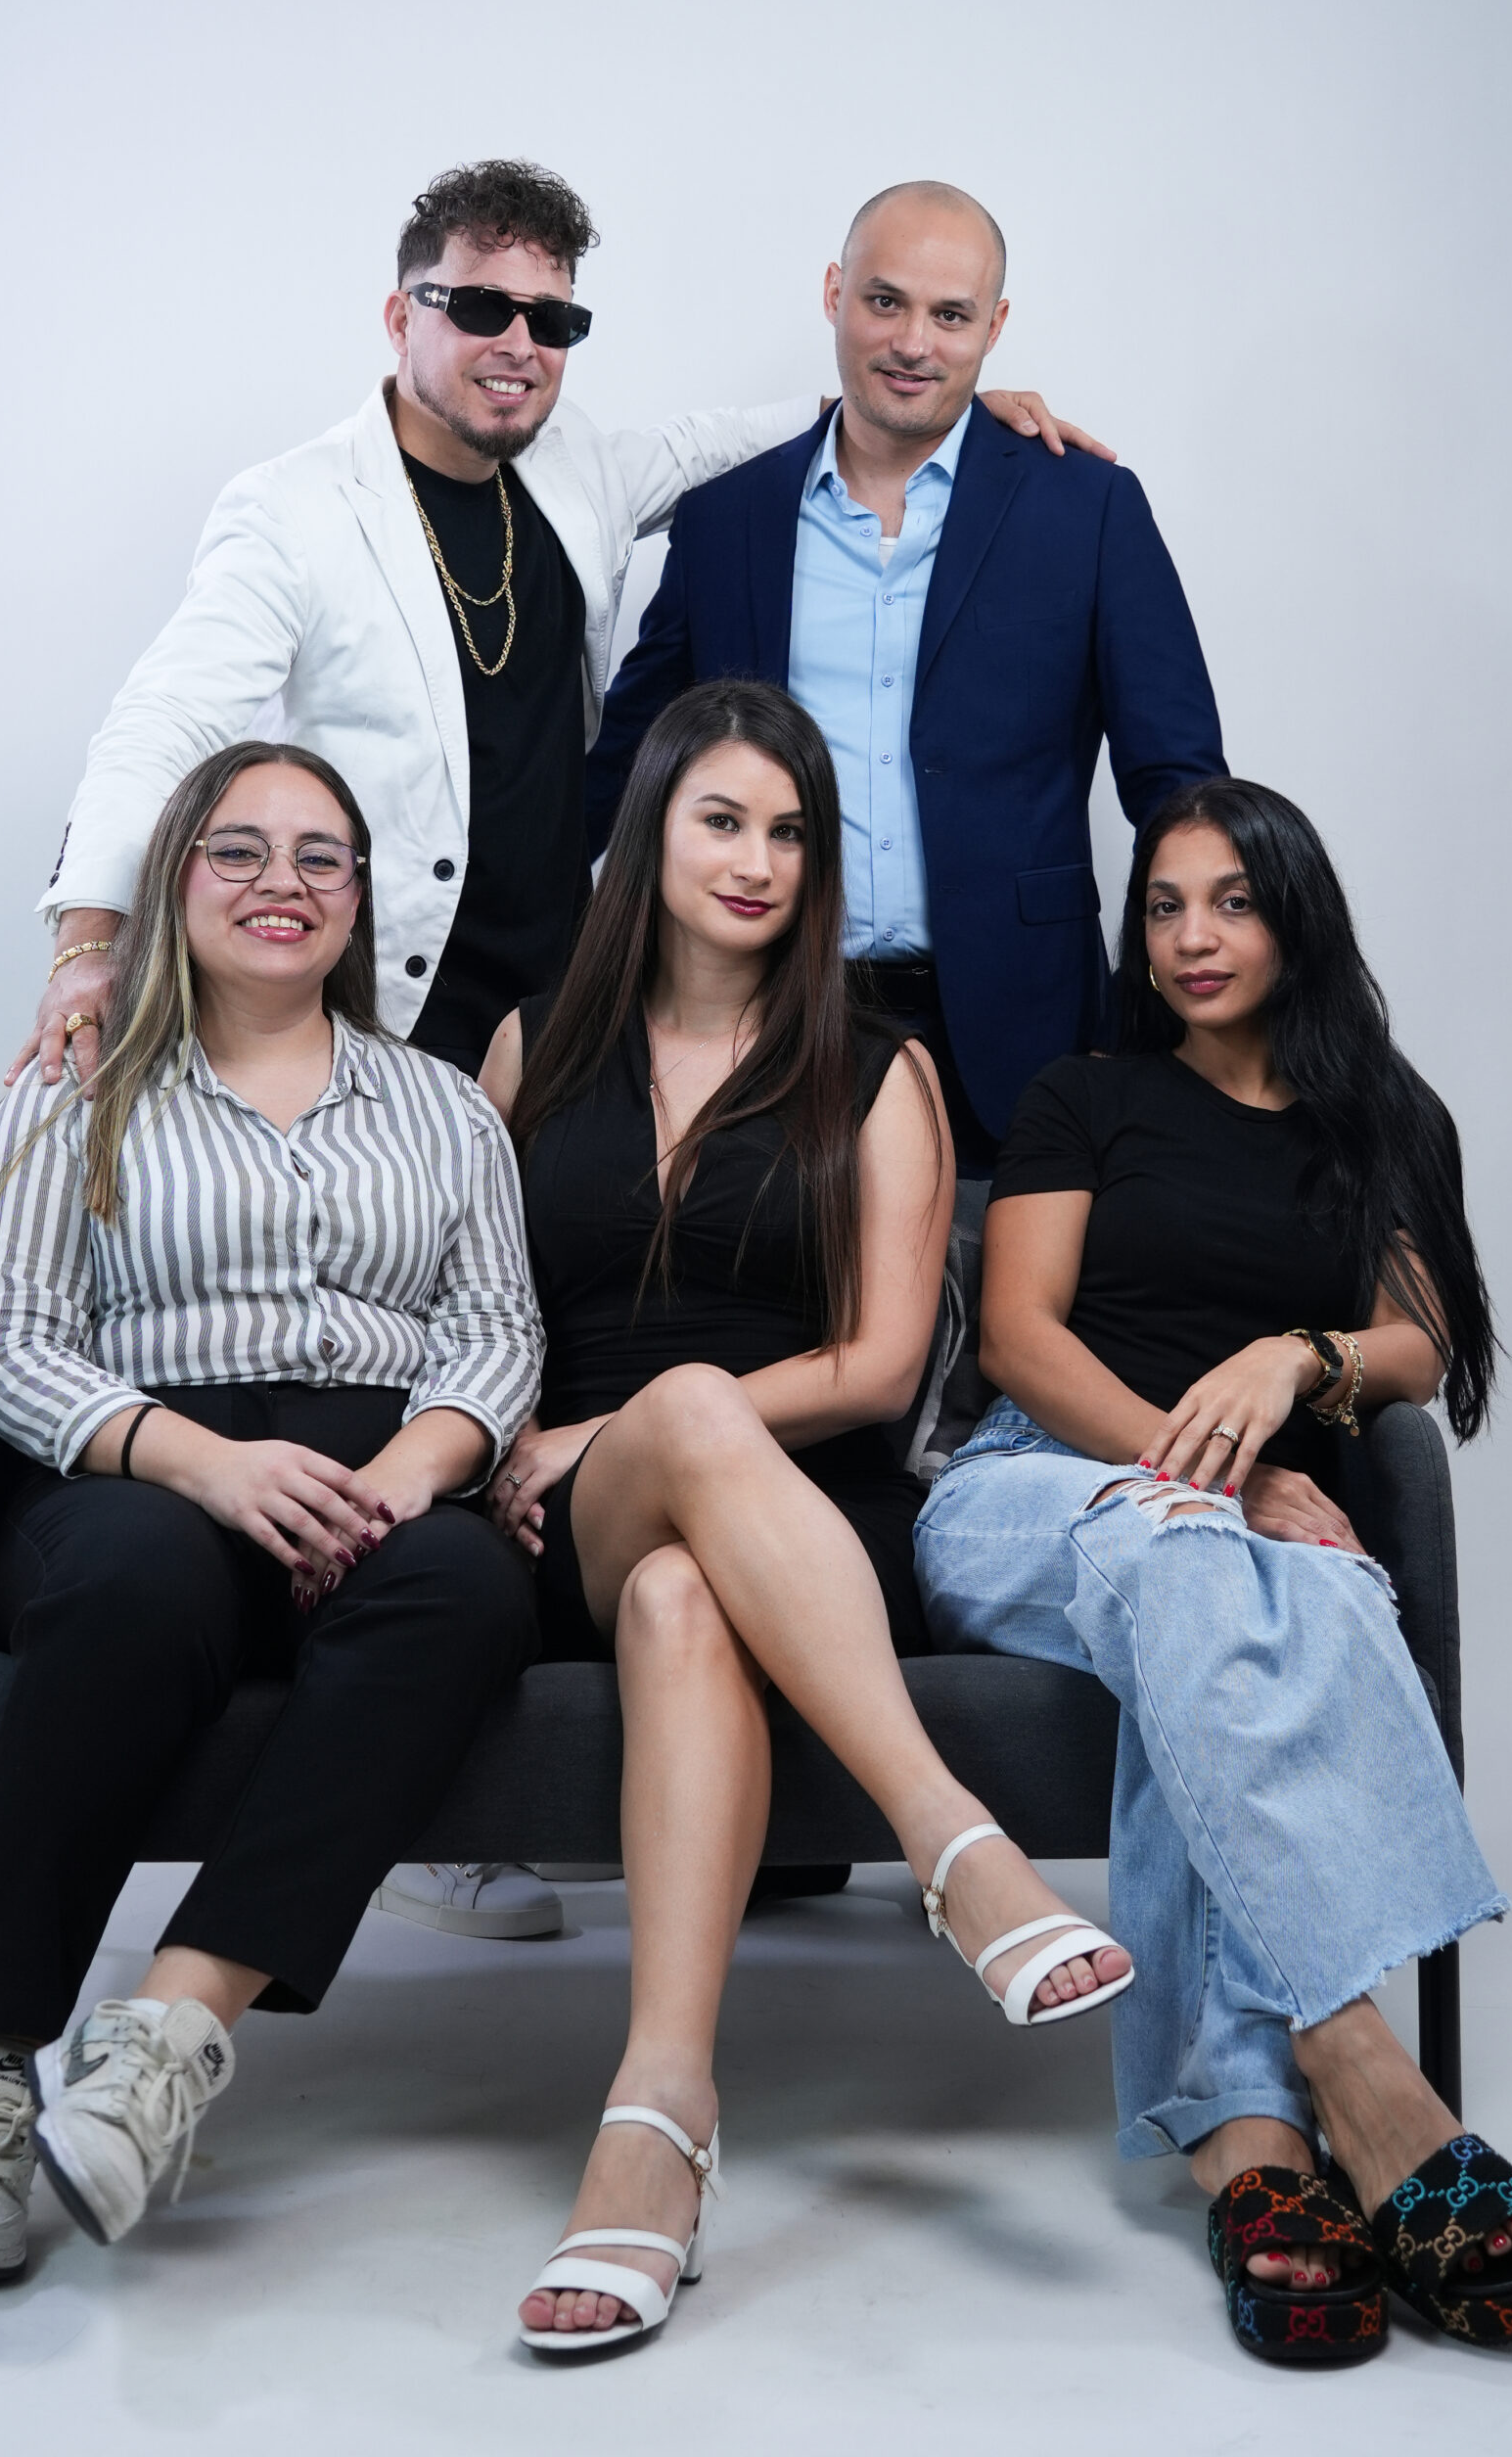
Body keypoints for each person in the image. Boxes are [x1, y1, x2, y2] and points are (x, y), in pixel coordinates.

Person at [16, 157, 1097, 1936]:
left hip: (569, 984)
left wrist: (952, 404)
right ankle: (444, 1786)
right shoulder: (291, 511)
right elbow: (173, 712)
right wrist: (89, 936)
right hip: (404, 1006)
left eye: (551, 317)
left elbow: (766, 430)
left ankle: (745, 1801)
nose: (516, 344)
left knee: (578, 1334)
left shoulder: (582, 466)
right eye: (477, 308)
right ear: (402, 312)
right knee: (437, 1358)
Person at [473, 678, 1134, 2355]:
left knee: (685, 1587)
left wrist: (645, 1418)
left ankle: (658, 2117)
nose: (758, 860)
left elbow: (881, 1362)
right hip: (567, 1510)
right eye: (722, 820)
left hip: (805, 1523)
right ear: (651, 831)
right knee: (670, 1463)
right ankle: (956, 1850)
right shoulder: (531, 1045)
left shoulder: (881, 1066)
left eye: (790, 832)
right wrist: (555, 1439)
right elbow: (467, 1308)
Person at [913, 777, 1512, 2359]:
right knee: (1190, 1552)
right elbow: (1020, 1341)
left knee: (1261, 1602)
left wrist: (1293, 1360)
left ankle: (1247, 2140)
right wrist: (1204, 1468)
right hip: (1034, 1492)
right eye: (1163, 906)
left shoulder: (1384, 1120)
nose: (1192, 937)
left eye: (1230, 901)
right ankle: (1361, 2074)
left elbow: (1417, 1343)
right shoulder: (1085, 1097)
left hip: (1226, 1540)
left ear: (1296, 915)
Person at [0, 742, 544, 2284]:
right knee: (140, 1581)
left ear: (361, 899)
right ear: (177, 877)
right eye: (239, 850)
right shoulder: (76, 1085)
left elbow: (496, 1329)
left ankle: (169, 2037)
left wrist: (411, 1471)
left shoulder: (444, 1108)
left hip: (369, 1470)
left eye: (321, 857)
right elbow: (13, 1341)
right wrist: (204, 1463)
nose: (281, 884)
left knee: (466, 1589)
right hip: (133, 1470)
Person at [585, 179, 1226, 1173]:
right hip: (768, 1020)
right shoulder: (726, 519)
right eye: (884, 301)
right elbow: (627, 769)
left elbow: (1180, 788)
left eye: (950, 315)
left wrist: (1176, 1020)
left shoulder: (1086, 509)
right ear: (833, 294)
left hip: (1027, 1028)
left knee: (1001, 1280)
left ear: (994, 327)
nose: (912, 343)